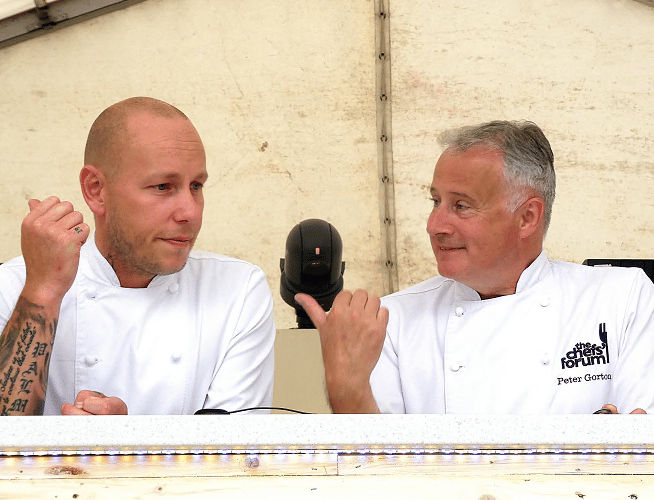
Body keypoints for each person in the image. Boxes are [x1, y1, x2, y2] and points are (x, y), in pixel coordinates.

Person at [297, 120, 653, 415]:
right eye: (436, 201)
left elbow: (639, 449)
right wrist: (347, 389)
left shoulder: (621, 299)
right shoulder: (393, 320)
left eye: (461, 206)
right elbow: (375, 475)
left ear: (528, 217)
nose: (435, 225)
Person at [0, 97, 275, 416]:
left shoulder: (236, 290)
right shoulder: (16, 285)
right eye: (163, 186)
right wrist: (44, 291)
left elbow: (234, 455)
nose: (190, 212)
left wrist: (128, 443)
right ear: (96, 190)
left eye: (196, 185)